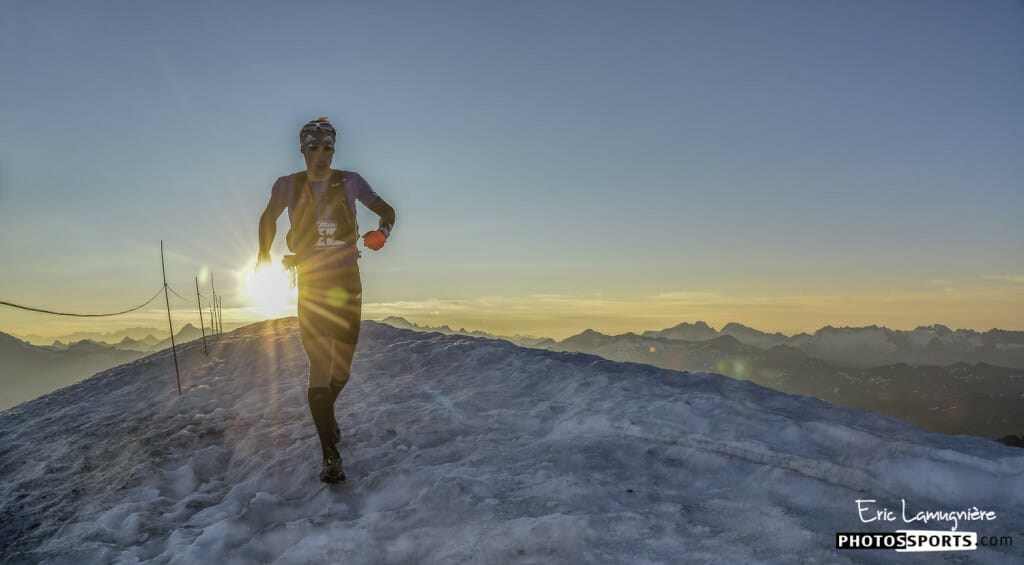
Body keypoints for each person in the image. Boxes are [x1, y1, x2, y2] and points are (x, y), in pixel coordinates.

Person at [256, 117, 396, 483]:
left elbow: (388, 211)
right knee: (319, 365)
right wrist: (262, 254)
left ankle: (326, 415)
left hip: (347, 280)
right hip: (313, 282)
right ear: (302, 149)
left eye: (327, 147)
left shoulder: (350, 181)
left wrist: (382, 233)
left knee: (342, 370)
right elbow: (268, 217)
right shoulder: (288, 185)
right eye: (313, 147)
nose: (321, 154)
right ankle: (330, 454)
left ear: (334, 149)